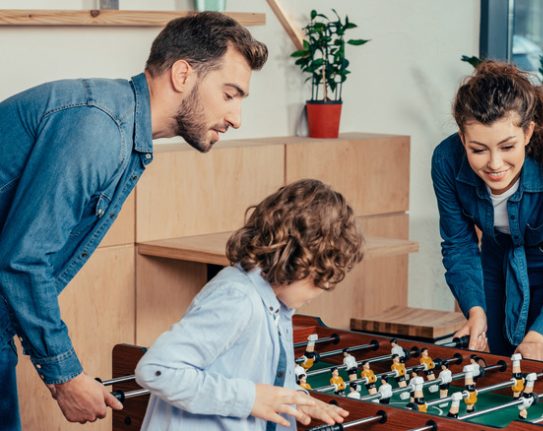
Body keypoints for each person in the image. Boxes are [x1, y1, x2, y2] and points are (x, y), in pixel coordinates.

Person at [0, 12, 268, 428]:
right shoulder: (99, 127)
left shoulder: (122, 131)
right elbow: (23, 260)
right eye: (230, 94)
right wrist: (66, 376)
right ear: (183, 74)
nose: (237, 118)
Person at [135, 179, 365, 430]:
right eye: (321, 278)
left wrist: (295, 398)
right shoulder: (237, 298)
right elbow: (157, 370)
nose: (322, 290)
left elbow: (260, 381)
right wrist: (250, 398)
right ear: (296, 260)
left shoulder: (277, 305)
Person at [431, 60, 543, 363]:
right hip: (495, 262)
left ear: (528, 133)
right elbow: (458, 245)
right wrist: (475, 309)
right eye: (478, 150)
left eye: (507, 147)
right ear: (462, 139)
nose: (495, 164)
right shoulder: (446, 160)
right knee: (494, 371)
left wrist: (541, 335)